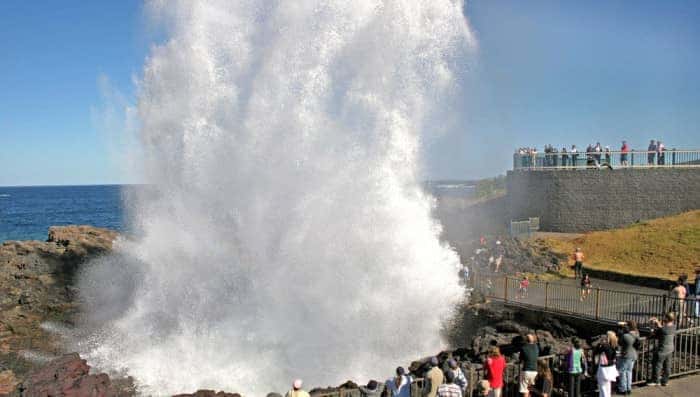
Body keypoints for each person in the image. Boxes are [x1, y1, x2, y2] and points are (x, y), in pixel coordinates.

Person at [648, 313, 676, 386]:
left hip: (662, 350)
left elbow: (653, 335)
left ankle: (655, 381)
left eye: (664, 317)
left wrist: (652, 327)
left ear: (667, 318)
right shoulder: (674, 326)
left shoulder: (663, 329)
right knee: (667, 366)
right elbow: (663, 328)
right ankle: (665, 381)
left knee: (657, 365)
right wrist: (658, 324)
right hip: (670, 349)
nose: (663, 318)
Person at [617, 321, 640, 395]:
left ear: (629, 327)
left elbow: (620, 343)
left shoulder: (625, 336)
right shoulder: (637, 334)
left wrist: (620, 329)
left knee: (622, 371)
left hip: (626, 355)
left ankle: (623, 389)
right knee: (629, 372)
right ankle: (629, 388)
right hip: (634, 355)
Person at [595, 331, 619, 397]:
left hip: (604, 369)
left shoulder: (605, 346)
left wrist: (599, 343)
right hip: (611, 368)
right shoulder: (614, 345)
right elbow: (614, 358)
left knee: (602, 386)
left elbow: (596, 351)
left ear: (607, 337)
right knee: (608, 386)